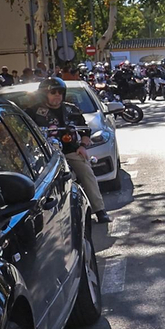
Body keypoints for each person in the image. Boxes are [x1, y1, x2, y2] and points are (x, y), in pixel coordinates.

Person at [28, 76, 110, 224]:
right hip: (45, 154)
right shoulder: (32, 112)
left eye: (60, 92)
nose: (57, 95)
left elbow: (85, 130)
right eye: (53, 92)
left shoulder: (71, 109)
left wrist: (82, 146)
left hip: (70, 150)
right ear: (44, 94)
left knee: (87, 173)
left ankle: (100, 210)